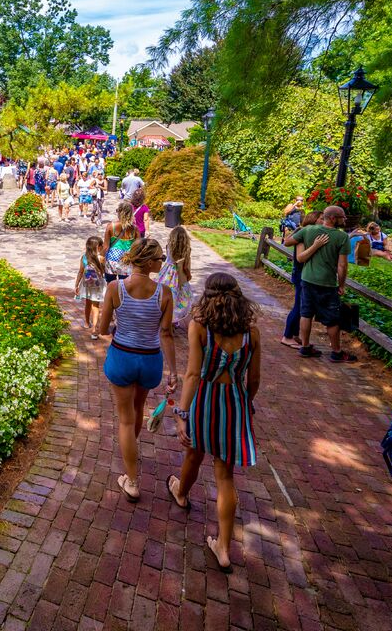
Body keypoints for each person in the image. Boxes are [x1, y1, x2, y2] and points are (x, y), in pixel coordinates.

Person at [167, 272, 261, 573]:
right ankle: (223, 547)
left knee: (193, 453)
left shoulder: (200, 327)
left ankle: (181, 493)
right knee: (225, 475)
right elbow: (254, 379)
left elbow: (193, 374)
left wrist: (182, 414)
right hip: (233, 400)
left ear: (207, 296)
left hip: (205, 398)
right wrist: (246, 402)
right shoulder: (251, 332)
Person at [95, 238, 178, 502]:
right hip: (149, 359)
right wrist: (173, 370)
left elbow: (103, 327)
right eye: (159, 259)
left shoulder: (115, 288)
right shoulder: (164, 293)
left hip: (123, 356)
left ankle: (131, 479)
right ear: (149, 261)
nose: (162, 263)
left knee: (125, 419)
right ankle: (131, 453)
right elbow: (166, 334)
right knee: (137, 410)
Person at [291, 206, 357, 362]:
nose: (345, 219)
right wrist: (341, 285)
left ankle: (305, 347)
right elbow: (342, 266)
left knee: (306, 313)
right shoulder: (342, 237)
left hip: (307, 279)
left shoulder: (308, 230)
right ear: (333, 218)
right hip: (327, 283)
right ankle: (336, 352)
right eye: (343, 217)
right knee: (332, 318)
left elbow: (289, 241)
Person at [279, 211, 322, 349]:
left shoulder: (306, 232)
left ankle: (295, 334)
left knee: (301, 304)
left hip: (303, 273)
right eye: (321, 218)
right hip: (301, 273)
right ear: (314, 219)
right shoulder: (305, 233)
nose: (323, 221)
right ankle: (287, 336)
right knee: (299, 305)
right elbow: (288, 244)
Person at [157, 226, 193, 328]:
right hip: (180, 274)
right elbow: (186, 265)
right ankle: (174, 319)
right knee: (178, 297)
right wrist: (188, 275)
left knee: (165, 294)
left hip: (167, 274)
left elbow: (169, 259)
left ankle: (164, 316)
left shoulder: (168, 246)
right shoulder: (187, 249)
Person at [74, 236, 106, 340]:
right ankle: (94, 330)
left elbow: (80, 272)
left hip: (86, 284)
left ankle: (87, 323)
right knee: (95, 306)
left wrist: (76, 285)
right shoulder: (101, 258)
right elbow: (104, 271)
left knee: (87, 303)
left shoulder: (84, 258)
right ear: (98, 247)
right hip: (97, 286)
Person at [102, 201, 139, 282]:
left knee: (110, 284)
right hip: (126, 260)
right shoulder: (135, 229)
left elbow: (106, 247)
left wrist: (100, 258)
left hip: (112, 259)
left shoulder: (111, 226)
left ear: (119, 212)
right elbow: (137, 248)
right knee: (125, 286)